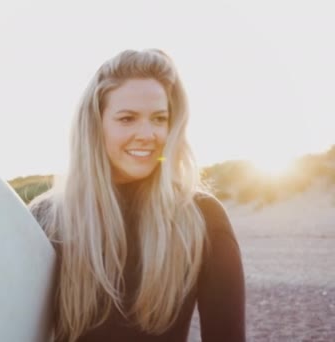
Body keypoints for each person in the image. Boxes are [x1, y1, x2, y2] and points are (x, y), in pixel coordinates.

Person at [28, 49, 245, 342]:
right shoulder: (48, 218)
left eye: (158, 118)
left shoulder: (202, 218)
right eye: (127, 119)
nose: (147, 134)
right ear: (96, 124)